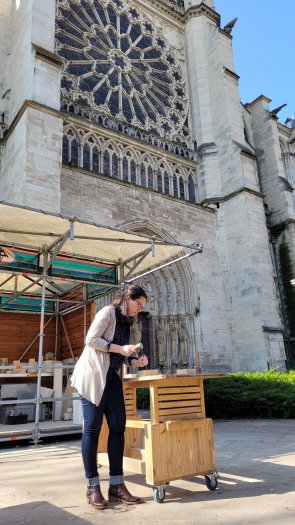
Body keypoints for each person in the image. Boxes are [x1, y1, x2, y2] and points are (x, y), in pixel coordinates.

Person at [71, 285, 148, 509]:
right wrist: (121, 348)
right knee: (92, 428)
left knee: (118, 426)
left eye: (142, 307)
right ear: (127, 298)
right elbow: (91, 340)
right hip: (93, 375)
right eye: (138, 304)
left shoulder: (126, 321)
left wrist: (134, 361)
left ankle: (116, 485)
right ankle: (92, 486)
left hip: (112, 376)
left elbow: (119, 356)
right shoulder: (108, 313)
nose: (139, 309)